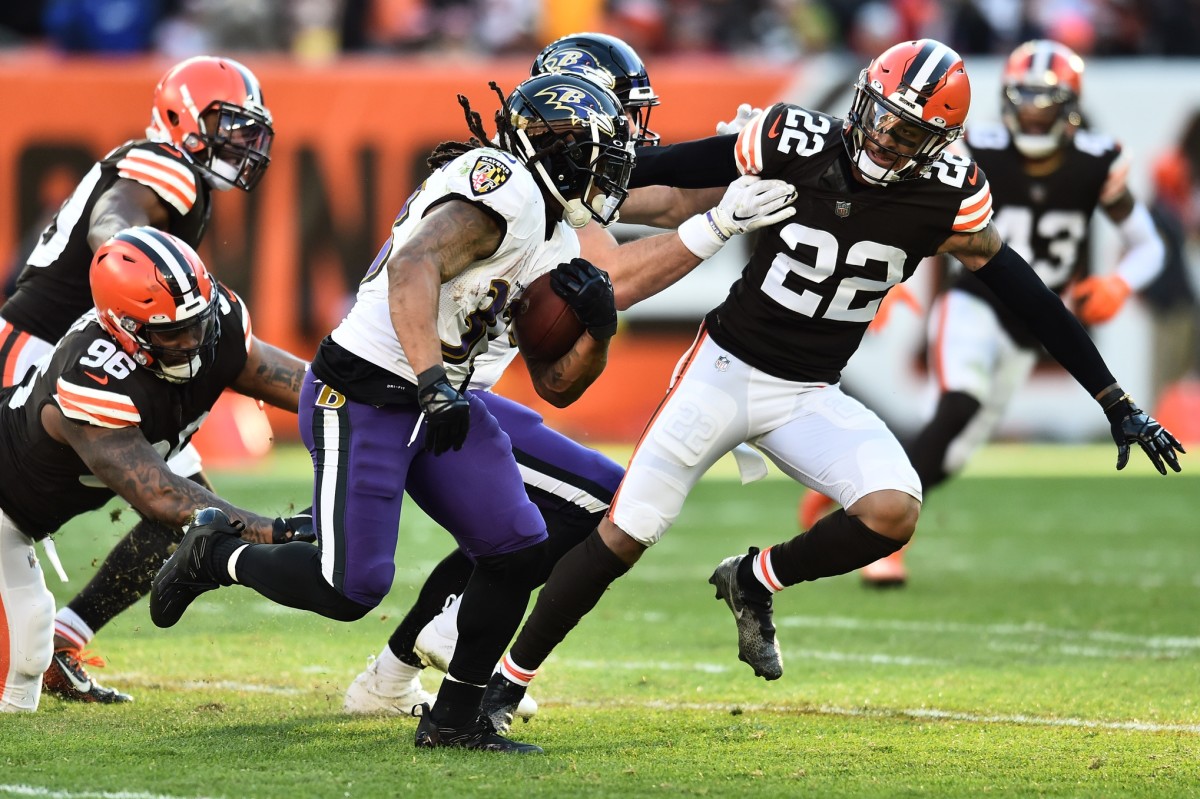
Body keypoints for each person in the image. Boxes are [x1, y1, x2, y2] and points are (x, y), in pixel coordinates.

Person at [474, 38, 1185, 728]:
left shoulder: (948, 194)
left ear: (940, 143)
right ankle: (501, 686)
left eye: (910, 136)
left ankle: (755, 577)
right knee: (627, 532)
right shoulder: (794, 138)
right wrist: (560, 167)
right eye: (881, 119)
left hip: (810, 390)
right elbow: (669, 166)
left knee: (893, 509)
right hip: (724, 367)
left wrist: (1113, 396)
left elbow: (1030, 294)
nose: (885, 142)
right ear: (862, 100)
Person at [149, 71, 639, 754]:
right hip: (367, 390)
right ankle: (218, 554)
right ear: (556, 146)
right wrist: (435, 380)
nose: (607, 172)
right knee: (350, 586)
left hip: (438, 393)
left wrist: (600, 330)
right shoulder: (507, 186)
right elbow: (414, 267)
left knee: (518, 544)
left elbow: (556, 385)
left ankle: (454, 718)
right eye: (597, 154)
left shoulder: (555, 235)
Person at [340, 31, 798, 721]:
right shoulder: (526, 186)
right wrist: (721, 222)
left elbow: (665, 199)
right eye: (622, 113)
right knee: (558, 514)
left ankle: (393, 671)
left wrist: (742, 164)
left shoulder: (560, 168)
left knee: (529, 520)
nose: (632, 135)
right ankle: (444, 632)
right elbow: (602, 285)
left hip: (454, 386)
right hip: (421, 385)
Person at [799, 39, 1168, 587]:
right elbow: (917, 215)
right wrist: (883, 275)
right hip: (970, 302)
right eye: (1023, 99)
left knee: (951, 453)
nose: (1033, 112)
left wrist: (1119, 281)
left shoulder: (1098, 160)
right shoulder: (976, 150)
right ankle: (880, 542)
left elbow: (1149, 246)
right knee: (958, 406)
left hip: (1028, 326)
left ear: (1070, 105)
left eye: (1045, 102)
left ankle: (854, 488)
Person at [0, 55, 279, 704]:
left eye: (246, 129)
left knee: (183, 502)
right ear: (179, 118)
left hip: (94, 348)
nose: (238, 142)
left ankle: (62, 639)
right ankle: (35, 634)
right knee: (26, 502)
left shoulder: (189, 179)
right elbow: (113, 220)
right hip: (41, 352)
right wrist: (142, 259)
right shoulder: (166, 164)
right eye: (224, 124)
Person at [0, 227, 310, 712]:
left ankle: (70, 636)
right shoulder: (92, 375)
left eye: (197, 323)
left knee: (178, 526)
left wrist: (367, 408)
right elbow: (162, 496)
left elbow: (304, 388)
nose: (191, 341)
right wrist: (272, 530)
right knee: (20, 670)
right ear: (123, 328)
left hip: (38, 499)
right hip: (4, 512)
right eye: (171, 332)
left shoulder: (218, 325)